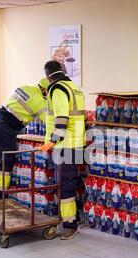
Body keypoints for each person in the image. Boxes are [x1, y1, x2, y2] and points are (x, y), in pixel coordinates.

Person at [38, 60, 86, 240]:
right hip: (77, 142)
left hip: (65, 144)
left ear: (48, 76)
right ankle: (74, 217)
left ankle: (69, 224)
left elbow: (61, 119)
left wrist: (52, 141)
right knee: (72, 180)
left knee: (66, 183)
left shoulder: (57, 89)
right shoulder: (75, 87)